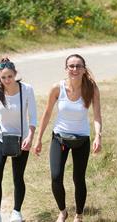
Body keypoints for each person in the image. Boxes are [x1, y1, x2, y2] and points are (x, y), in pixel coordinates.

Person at [34, 54, 102, 222]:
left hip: (82, 140)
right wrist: (39, 138)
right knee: (56, 177)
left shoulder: (91, 88)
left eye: (78, 66)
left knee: (78, 179)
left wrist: (98, 136)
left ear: (84, 69)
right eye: (71, 66)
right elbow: (47, 112)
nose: (74, 69)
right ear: (66, 69)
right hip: (60, 138)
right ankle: (63, 211)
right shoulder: (57, 88)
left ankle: (79, 215)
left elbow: (97, 116)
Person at [0, 57, 38, 222]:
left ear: (16, 74)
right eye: (3, 77)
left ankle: (16, 211)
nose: (7, 80)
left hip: (21, 138)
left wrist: (30, 137)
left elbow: (33, 117)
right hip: (0, 137)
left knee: (18, 176)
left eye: (10, 76)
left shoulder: (26, 89)